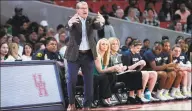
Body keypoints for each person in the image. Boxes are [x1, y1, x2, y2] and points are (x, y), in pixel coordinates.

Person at [64, 1, 105, 110]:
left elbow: (98, 26)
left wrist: (102, 21)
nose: (85, 10)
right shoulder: (72, 19)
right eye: (82, 8)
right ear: (77, 10)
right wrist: (69, 23)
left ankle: (86, 105)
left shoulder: (91, 20)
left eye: (86, 7)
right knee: (71, 79)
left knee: (89, 82)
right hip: (74, 55)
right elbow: (67, 28)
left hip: (88, 55)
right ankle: (71, 103)